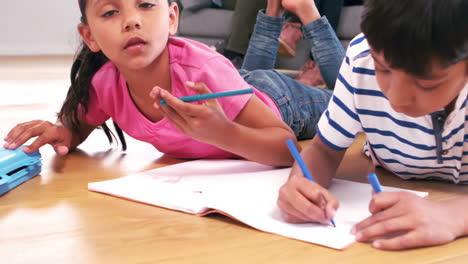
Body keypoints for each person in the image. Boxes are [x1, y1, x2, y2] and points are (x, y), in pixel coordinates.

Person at [3, 0, 343, 168]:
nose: (132, 20)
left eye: (146, 5)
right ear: (89, 36)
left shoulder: (202, 70)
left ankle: (306, 21)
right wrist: (63, 132)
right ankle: (272, 10)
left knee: (348, 100)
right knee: (244, 76)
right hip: (238, 86)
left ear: (171, 18)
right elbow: (78, 127)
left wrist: (224, 134)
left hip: (283, 103)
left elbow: (286, 150)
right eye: (110, 12)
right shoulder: (106, 83)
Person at [277, 0, 468, 251]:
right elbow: (325, 149)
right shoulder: (362, 57)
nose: (396, 99)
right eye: (383, 69)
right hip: (390, 177)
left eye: (427, 84)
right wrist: (302, 184)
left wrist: (455, 215)